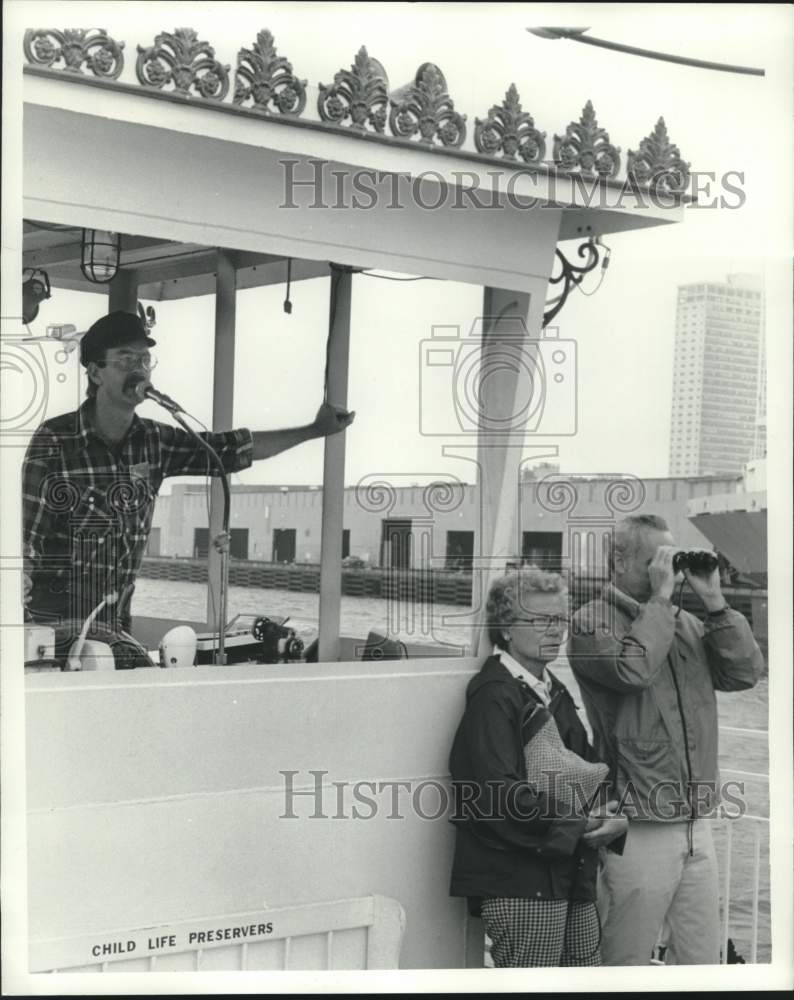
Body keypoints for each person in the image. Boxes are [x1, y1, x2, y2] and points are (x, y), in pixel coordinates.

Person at [22, 310, 354, 637]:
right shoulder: (55, 440)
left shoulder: (154, 441)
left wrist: (314, 429)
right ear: (95, 373)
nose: (138, 369)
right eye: (125, 359)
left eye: (144, 359)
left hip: (114, 621)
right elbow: (26, 534)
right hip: (55, 622)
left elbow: (229, 450)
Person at [568, 514, 764, 965]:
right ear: (618, 559)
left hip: (696, 818)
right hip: (637, 824)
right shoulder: (589, 623)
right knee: (625, 958)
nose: (670, 568)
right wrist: (659, 599)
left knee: (700, 957)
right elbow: (631, 671)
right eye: (659, 558)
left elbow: (745, 673)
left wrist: (714, 602)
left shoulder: (686, 625)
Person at [448, 568, 628, 967]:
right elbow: (496, 793)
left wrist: (615, 820)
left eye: (560, 620)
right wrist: (581, 825)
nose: (556, 631)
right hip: (520, 883)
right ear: (507, 629)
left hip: (568, 877)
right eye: (540, 621)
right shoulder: (495, 697)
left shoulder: (552, 691)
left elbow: (589, 772)